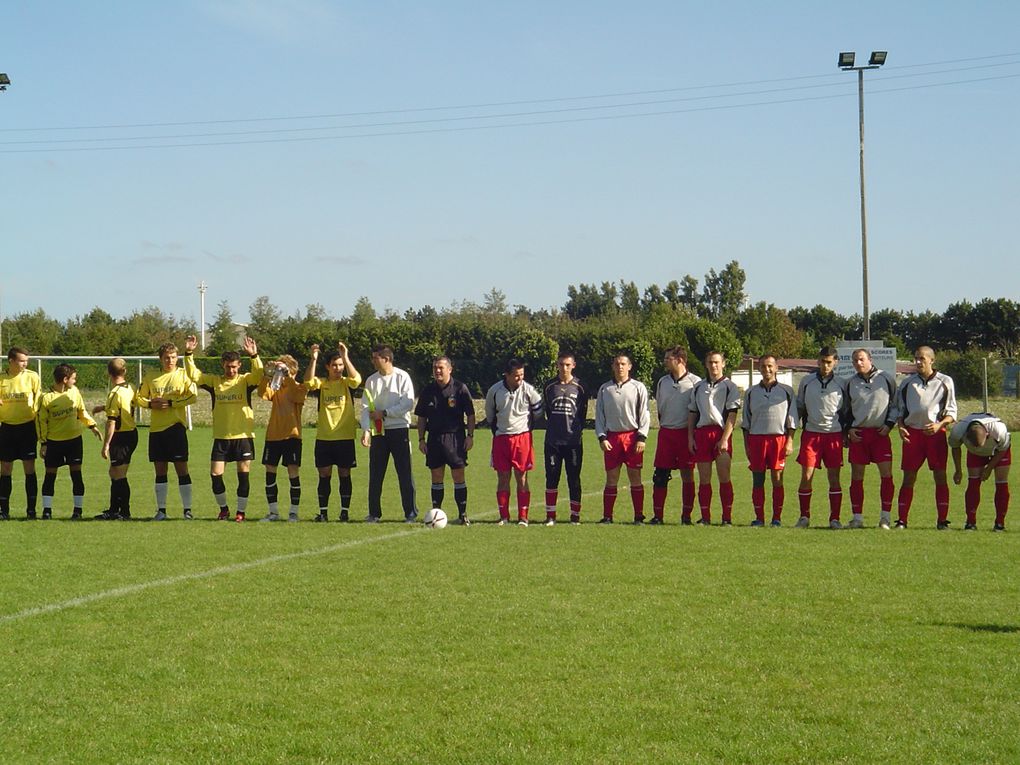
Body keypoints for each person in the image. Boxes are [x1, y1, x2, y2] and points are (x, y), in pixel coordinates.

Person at [184, 335, 263, 521]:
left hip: (243, 436)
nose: (231, 370)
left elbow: (259, 374)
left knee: (243, 475)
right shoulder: (214, 382)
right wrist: (188, 353)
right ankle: (224, 509)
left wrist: (254, 355)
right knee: (215, 474)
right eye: (228, 366)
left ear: (239, 366)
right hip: (221, 437)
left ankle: (241, 512)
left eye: (234, 366)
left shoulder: (245, 381)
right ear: (223, 365)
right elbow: (193, 375)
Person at [894, 346, 957, 529]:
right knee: (908, 477)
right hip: (913, 434)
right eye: (916, 358)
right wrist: (901, 426)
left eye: (922, 358)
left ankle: (942, 520)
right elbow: (899, 410)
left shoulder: (945, 381)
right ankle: (902, 520)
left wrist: (939, 424)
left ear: (932, 360)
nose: (918, 362)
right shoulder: (907, 383)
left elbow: (952, 412)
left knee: (940, 476)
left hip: (935, 434)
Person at [136, 342, 197, 520]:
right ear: (160, 359)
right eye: (166, 358)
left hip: (176, 429)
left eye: (173, 357)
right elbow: (138, 398)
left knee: (182, 469)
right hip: (156, 431)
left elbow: (193, 397)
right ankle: (161, 510)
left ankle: (187, 510)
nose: (170, 361)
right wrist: (149, 404)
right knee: (160, 471)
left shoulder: (184, 375)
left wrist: (171, 403)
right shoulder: (151, 377)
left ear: (177, 358)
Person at [359, 344, 418, 523]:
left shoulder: (402, 377)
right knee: (375, 474)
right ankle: (374, 513)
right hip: (378, 433)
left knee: (404, 473)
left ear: (386, 359)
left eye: (375, 357)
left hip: (399, 430)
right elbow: (365, 407)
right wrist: (366, 430)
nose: (373, 361)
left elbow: (407, 404)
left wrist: (384, 413)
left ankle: (410, 513)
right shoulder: (371, 380)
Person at [304, 342, 361, 522]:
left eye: (340, 365)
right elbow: (307, 382)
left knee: (345, 475)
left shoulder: (347, 383)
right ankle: (323, 513)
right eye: (334, 365)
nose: (338, 368)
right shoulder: (321, 383)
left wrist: (346, 357)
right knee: (324, 475)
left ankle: (344, 512)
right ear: (328, 366)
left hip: (345, 437)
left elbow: (357, 379)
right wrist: (313, 359)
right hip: (325, 438)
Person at [415, 356, 476, 525]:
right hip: (434, 438)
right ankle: (436, 513)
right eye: (435, 368)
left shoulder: (460, 388)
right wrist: (421, 439)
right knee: (436, 476)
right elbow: (421, 417)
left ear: (450, 369)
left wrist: (470, 436)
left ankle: (463, 514)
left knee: (458, 475)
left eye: (441, 367)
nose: (437, 371)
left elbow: (471, 415)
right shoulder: (428, 390)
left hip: (455, 438)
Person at [37, 364, 102, 519]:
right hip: (54, 442)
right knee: (50, 476)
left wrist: (92, 425)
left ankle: (77, 511)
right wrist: (44, 443)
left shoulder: (74, 391)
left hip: (74, 441)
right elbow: (41, 422)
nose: (75, 380)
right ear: (65, 379)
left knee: (76, 475)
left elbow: (81, 411)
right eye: (73, 378)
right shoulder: (46, 398)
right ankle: (47, 511)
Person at [485, 358, 543, 526]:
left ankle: (523, 516)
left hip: (522, 438)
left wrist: (527, 427)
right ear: (507, 375)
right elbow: (490, 414)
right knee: (502, 477)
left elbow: (538, 410)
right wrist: (497, 430)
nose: (520, 378)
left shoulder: (529, 390)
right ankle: (504, 516)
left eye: (522, 375)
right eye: (516, 375)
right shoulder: (495, 390)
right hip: (501, 438)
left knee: (522, 477)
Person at [844, 348, 897, 529]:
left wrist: (889, 424)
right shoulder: (850, 383)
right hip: (859, 435)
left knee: (886, 475)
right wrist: (849, 429)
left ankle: (885, 518)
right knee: (857, 477)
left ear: (870, 359)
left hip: (880, 434)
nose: (858, 363)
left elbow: (895, 405)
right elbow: (845, 409)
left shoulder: (886, 379)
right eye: (854, 361)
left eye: (861, 359)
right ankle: (857, 518)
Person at [795, 346, 847, 529]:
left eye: (829, 362)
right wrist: (793, 433)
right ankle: (804, 517)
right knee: (807, 476)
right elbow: (799, 406)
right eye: (823, 361)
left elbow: (846, 411)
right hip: (811, 434)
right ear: (818, 361)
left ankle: (835, 518)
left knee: (834, 477)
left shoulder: (842, 383)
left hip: (833, 435)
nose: (825, 366)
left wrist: (846, 434)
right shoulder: (807, 381)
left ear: (836, 363)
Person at [741, 355, 797, 527]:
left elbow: (792, 419)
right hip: (757, 439)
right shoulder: (751, 392)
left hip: (778, 439)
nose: (767, 370)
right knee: (758, 480)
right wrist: (747, 446)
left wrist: (790, 441)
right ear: (759, 368)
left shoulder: (786, 391)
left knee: (777, 478)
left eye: (770, 366)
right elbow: (746, 423)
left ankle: (776, 518)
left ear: (776, 368)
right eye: (764, 366)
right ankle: (759, 517)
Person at [595, 353, 651, 524]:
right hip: (612, 437)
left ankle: (638, 516)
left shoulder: (638, 387)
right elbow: (599, 415)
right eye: (617, 364)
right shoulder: (605, 389)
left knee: (635, 477)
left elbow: (644, 413)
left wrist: (642, 437)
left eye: (623, 364)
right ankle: (607, 516)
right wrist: (602, 437)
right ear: (613, 366)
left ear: (629, 366)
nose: (620, 367)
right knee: (611, 478)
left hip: (632, 437)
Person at [687, 351, 741, 525]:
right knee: (704, 479)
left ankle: (727, 518)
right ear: (706, 364)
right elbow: (692, 414)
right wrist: (690, 437)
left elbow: (732, 415)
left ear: (723, 364)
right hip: (702, 434)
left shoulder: (730, 387)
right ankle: (705, 517)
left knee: (724, 476)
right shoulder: (698, 387)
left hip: (721, 433)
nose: (713, 366)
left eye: (717, 362)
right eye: (710, 362)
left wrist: (725, 438)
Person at [651, 346, 701, 525]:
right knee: (660, 475)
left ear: (680, 360)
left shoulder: (696, 382)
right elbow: (660, 408)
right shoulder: (662, 382)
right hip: (666, 433)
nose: (665, 361)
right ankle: (658, 516)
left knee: (687, 474)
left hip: (685, 434)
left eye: (668, 358)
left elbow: (697, 410)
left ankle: (686, 516)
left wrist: (691, 435)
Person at [259, 354, 307, 522]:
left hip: (292, 436)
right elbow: (262, 393)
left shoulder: (299, 387)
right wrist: (267, 373)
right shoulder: (276, 387)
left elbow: (296, 396)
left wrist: (287, 377)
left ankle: (293, 512)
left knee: (293, 473)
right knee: (270, 473)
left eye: (284, 370)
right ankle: (273, 512)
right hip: (273, 436)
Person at [542, 352, 588, 525]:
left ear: (573, 365)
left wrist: (576, 429)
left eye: (567, 365)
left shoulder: (581, 386)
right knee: (552, 477)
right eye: (561, 364)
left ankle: (575, 516)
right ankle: (550, 516)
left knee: (574, 478)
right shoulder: (549, 386)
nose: (564, 368)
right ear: (557, 365)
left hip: (573, 441)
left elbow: (582, 413)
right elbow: (548, 411)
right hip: (553, 441)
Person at [93, 358, 138, 520]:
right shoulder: (130, 387)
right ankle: (114, 509)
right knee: (114, 472)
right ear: (124, 371)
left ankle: (124, 512)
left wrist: (106, 445)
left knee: (119, 474)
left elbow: (111, 422)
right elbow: (124, 406)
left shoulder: (114, 393)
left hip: (121, 437)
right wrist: (103, 407)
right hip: (132, 433)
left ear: (109, 373)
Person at [0, 346, 41, 520]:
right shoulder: (1, 379)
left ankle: (31, 510)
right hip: (7, 429)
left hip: (27, 428)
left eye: (26, 361)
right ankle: (4, 510)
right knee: (6, 469)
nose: (25, 364)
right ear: (11, 361)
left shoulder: (32, 377)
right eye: (21, 361)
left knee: (29, 469)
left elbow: (39, 401)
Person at [950, 413, 1010, 531]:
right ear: (966, 437)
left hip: (998, 450)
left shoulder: (999, 430)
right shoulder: (958, 431)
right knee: (973, 481)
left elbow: (1003, 449)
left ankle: (1000, 523)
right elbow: (955, 447)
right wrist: (958, 470)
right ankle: (970, 522)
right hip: (975, 455)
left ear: (987, 435)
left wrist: (988, 469)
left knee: (1001, 481)